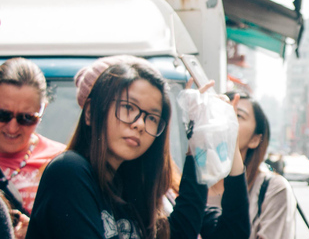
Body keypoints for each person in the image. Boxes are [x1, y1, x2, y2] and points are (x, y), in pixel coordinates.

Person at [26, 56, 214, 239]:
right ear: (90, 111)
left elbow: (181, 233)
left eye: (151, 118)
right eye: (128, 107)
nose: (139, 124)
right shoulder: (69, 171)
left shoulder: (129, 188)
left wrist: (199, 140)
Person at [211, 92, 295, 239]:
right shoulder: (189, 181)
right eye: (221, 111)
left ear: (255, 140)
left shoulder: (273, 189)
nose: (226, 119)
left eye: (238, 115)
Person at [0, 58, 66, 237]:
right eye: (3, 115)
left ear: (42, 110)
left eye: (26, 118)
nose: (12, 128)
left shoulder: (60, 162)